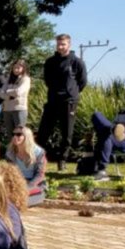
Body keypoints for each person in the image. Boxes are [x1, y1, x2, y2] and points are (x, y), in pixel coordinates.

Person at [36, 34, 87, 170]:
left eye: (63, 44)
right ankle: (38, 159)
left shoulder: (77, 62)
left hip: (69, 101)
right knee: (43, 132)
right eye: (58, 44)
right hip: (52, 100)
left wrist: (71, 93)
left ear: (69, 45)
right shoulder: (50, 62)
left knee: (67, 134)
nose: (60, 47)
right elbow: (47, 80)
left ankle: (62, 160)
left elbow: (82, 82)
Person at [5, 127, 47, 206]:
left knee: (20, 201)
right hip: (17, 182)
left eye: (18, 135)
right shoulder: (10, 153)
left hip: (34, 184)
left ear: (27, 137)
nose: (15, 137)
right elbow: (10, 172)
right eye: (13, 134)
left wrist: (26, 187)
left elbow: (40, 175)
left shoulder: (39, 153)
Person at [0, 60, 31, 134]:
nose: (16, 69)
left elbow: (18, 92)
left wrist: (7, 92)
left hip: (19, 109)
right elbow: (1, 93)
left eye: (18, 68)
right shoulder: (8, 80)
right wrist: (9, 96)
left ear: (23, 68)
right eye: (14, 68)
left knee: (19, 134)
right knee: (10, 134)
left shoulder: (25, 79)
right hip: (7, 109)